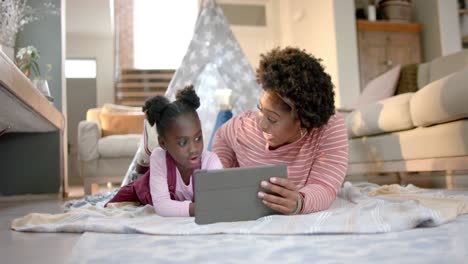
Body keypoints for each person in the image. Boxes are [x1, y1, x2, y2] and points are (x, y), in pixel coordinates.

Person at [212, 47, 349, 215]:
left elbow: (324, 186)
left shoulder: (329, 127)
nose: (262, 124)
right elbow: (222, 136)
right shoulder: (244, 127)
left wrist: (299, 202)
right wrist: (221, 174)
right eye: (260, 109)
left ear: (303, 120)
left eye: (272, 119)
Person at [107, 85, 223, 217]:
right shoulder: (159, 157)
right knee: (110, 212)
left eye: (198, 138)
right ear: (163, 143)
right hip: (142, 193)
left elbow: (218, 200)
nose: (193, 149)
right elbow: (162, 206)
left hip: (178, 201)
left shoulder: (211, 161)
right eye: (182, 142)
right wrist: (195, 209)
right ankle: (139, 169)